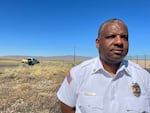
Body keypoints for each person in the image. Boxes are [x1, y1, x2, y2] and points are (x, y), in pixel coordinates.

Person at [57, 18, 150, 113]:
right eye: (111, 36)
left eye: (124, 37)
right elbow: (66, 105)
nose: (119, 42)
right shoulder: (77, 74)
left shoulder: (144, 77)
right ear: (98, 43)